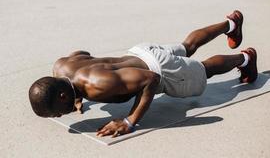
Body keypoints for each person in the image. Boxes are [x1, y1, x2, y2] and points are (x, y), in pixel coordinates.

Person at [28, 10, 257, 138]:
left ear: (61, 97)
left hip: (159, 70)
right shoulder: (61, 67)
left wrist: (130, 121)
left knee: (204, 69)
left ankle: (246, 58)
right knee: (186, 46)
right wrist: (77, 96)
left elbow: (151, 80)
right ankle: (230, 23)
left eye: (56, 114)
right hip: (140, 52)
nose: (59, 117)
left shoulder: (97, 86)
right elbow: (83, 53)